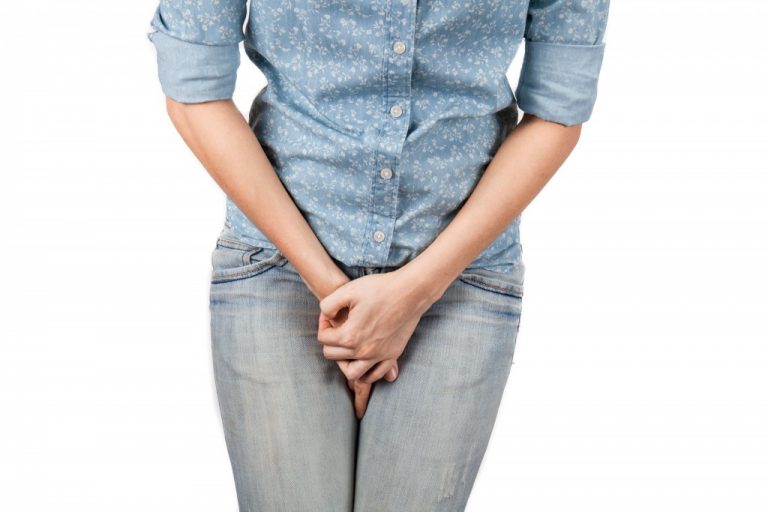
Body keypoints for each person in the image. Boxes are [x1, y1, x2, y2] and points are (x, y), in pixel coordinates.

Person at [146, 0, 610, 509]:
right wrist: (343, 303)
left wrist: (415, 293)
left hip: (458, 273)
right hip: (278, 262)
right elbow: (193, 89)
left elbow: (557, 110)